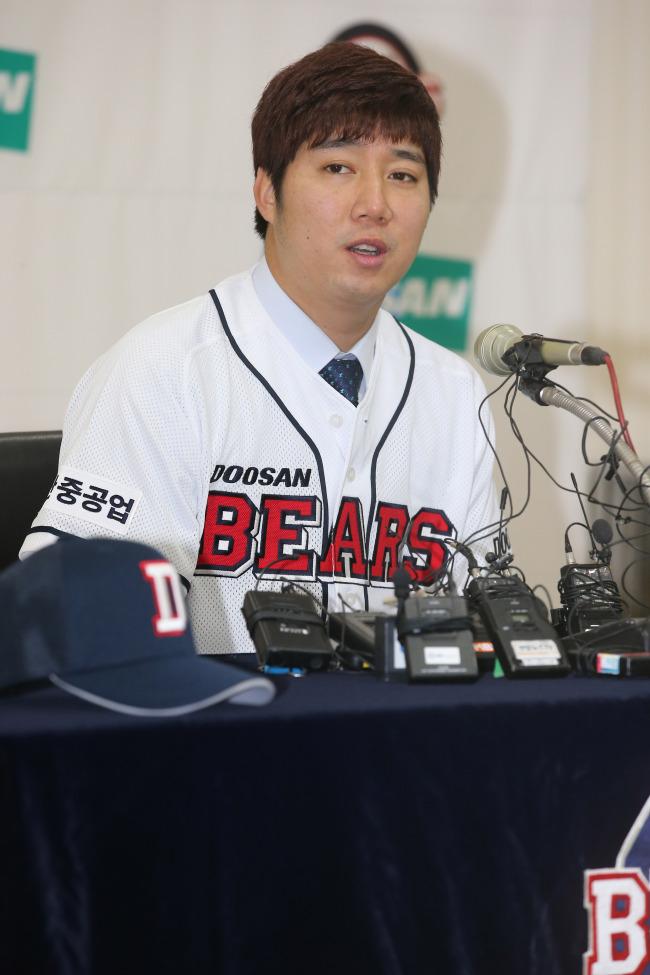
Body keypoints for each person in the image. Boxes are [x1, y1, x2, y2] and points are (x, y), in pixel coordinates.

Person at [20, 42, 499, 654]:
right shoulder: (164, 369)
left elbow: (482, 629)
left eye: (403, 175)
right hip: (210, 737)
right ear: (266, 192)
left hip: (399, 744)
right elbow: (68, 611)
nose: (375, 204)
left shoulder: (455, 395)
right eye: (338, 168)